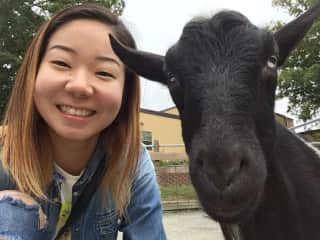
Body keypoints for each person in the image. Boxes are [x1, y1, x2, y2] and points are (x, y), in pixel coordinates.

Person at [0, 3, 166, 240]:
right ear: (33, 73)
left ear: (125, 93)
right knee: (13, 211)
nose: (79, 86)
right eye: (61, 63)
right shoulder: (3, 155)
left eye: (104, 73)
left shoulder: (132, 163)